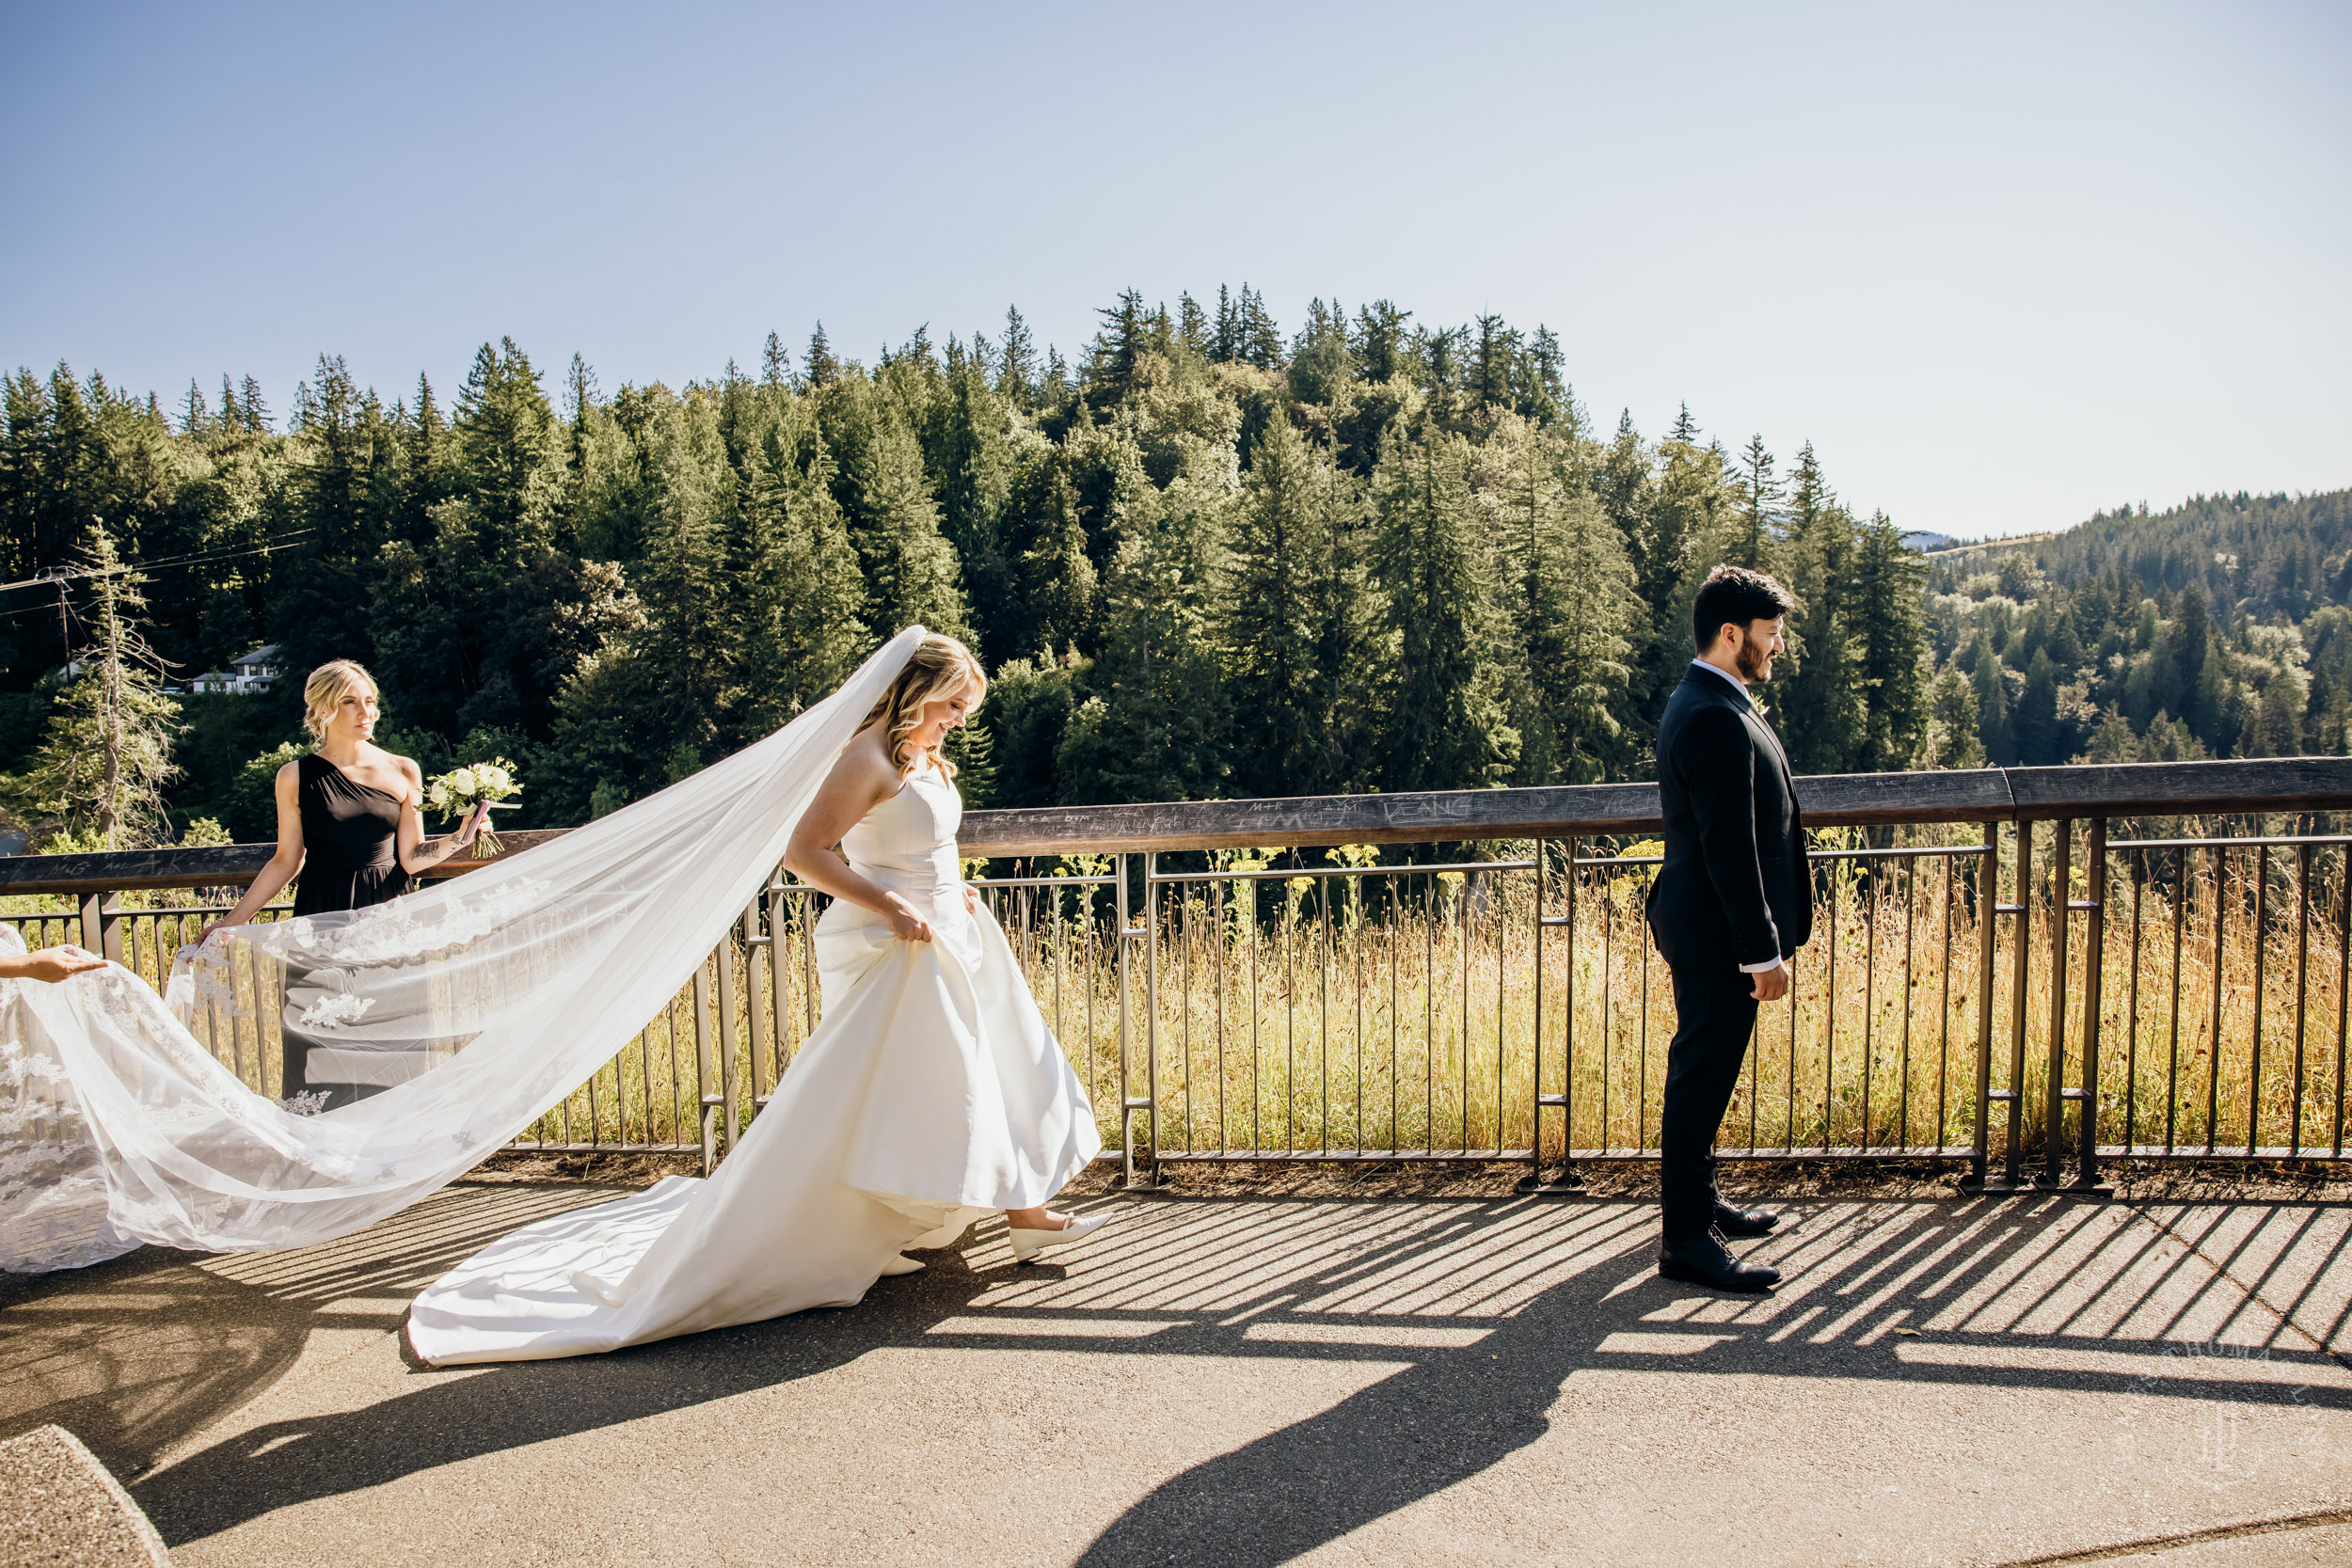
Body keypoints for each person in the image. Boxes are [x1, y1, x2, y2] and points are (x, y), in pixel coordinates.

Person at [404, 632, 1107, 1365]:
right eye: (953, 703)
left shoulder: (920, 756)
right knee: (919, 1092)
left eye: (967, 707)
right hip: (901, 944)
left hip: (951, 932)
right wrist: (892, 903)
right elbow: (806, 854)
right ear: (916, 691)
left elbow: (923, 844)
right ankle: (923, 1220)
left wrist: (945, 885)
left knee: (991, 1068)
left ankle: (1016, 1212)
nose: (960, 718)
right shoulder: (865, 757)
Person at [201, 659, 486, 1108]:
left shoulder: (402, 770)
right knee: (316, 1038)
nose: (365, 712)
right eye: (350, 702)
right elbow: (286, 859)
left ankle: (393, 1152)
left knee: (395, 1038)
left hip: (389, 917)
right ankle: (322, 1152)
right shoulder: (295, 776)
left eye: (370, 702)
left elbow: (412, 859)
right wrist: (232, 920)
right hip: (322, 917)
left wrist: (460, 836)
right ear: (322, 709)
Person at [1645, 564, 1813, 1292]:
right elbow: (1730, 847)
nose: (1778, 648)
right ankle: (1684, 1237)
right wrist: (1760, 952)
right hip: (1718, 932)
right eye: (1770, 636)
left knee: (1707, 1074)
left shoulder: (1713, 698)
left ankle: (1700, 1203)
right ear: (1731, 633)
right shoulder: (1712, 712)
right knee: (1700, 1076)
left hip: (1708, 925)